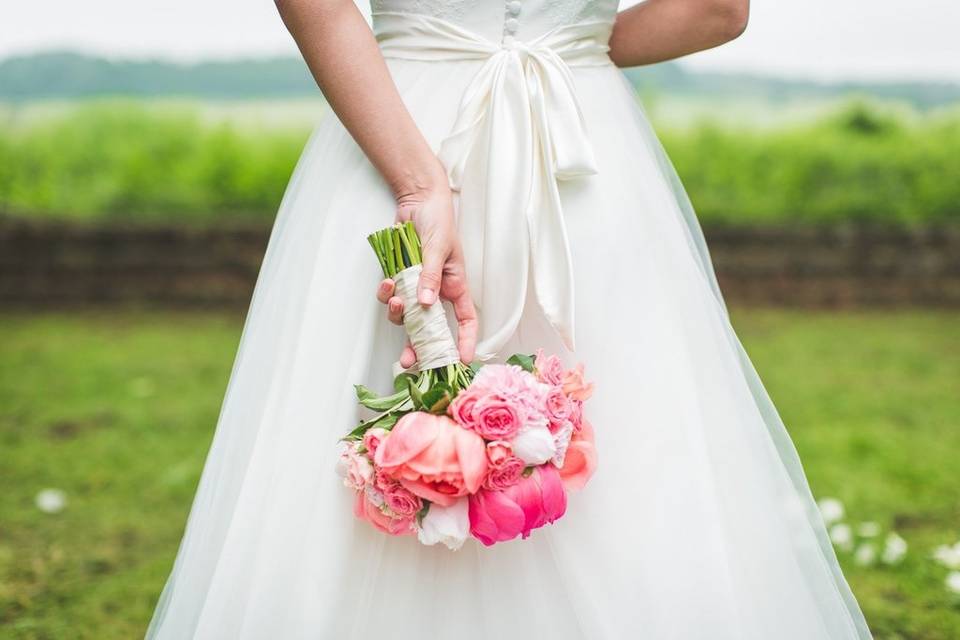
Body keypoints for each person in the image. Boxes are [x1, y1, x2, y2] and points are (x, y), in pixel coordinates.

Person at [146, 0, 873, 637]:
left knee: (362, 387)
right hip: (581, 135)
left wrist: (418, 182)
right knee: (630, 416)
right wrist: (573, 39)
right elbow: (719, 9)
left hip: (403, 121)